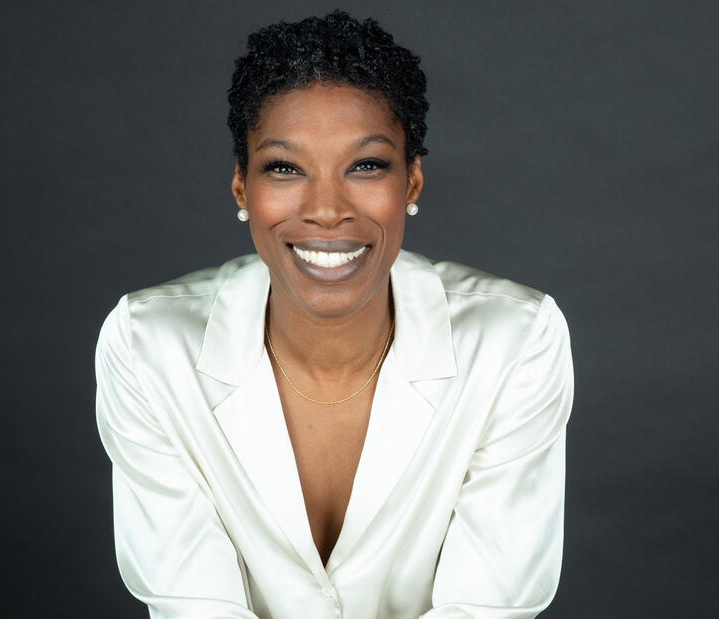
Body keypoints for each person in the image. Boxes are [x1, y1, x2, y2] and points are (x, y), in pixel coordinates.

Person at [95, 10, 573, 618]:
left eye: (366, 165)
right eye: (285, 168)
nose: (326, 209)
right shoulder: (147, 349)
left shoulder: (514, 343)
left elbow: (484, 608)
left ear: (412, 182)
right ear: (243, 187)